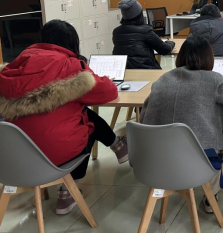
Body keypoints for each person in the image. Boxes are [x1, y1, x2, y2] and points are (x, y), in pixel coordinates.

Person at [0, 20, 128, 215]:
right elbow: (108, 92)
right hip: (53, 155)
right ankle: (68, 191)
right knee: (87, 124)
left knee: (80, 114)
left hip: (14, 159)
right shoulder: (70, 66)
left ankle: (118, 146)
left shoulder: (14, 66)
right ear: (71, 42)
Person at [140, 36, 223, 214]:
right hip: (196, 163)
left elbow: (144, 115)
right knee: (215, 148)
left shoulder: (163, 79)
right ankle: (211, 198)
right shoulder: (213, 80)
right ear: (209, 58)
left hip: (156, 161)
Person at [112, 0, 175, 69]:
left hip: (124, 70)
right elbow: (165, 50)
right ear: (139, 14)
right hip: (145, 68)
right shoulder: (145, 30)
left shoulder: (116, 32)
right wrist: (170, 43)